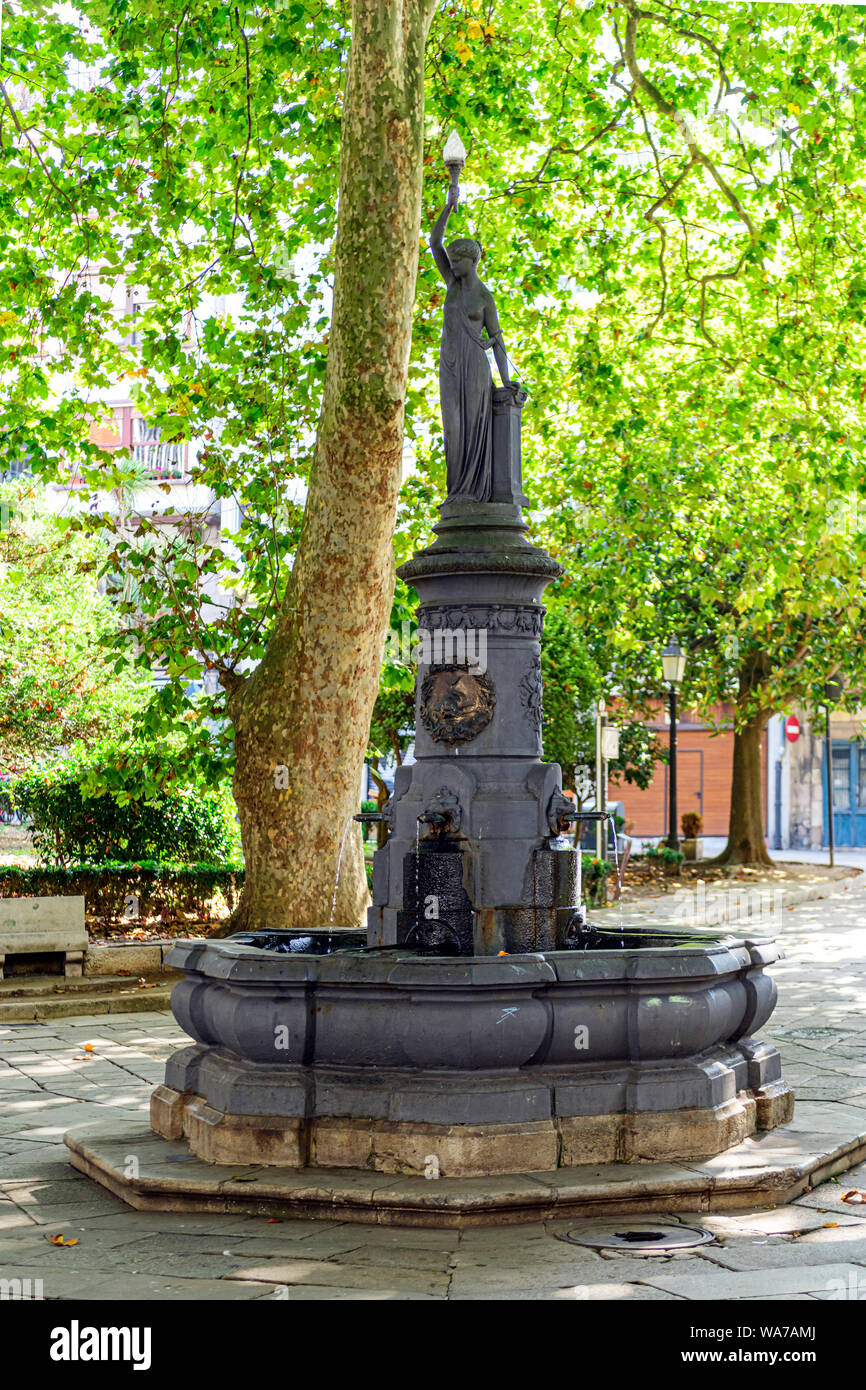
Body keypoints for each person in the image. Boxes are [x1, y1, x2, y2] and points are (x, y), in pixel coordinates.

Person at [429, 188, 516, 501]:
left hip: (476, 369)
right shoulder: (451, 286)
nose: (451, 265)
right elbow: (434, 241)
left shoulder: (484, 298)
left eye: (456, 260)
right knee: (453, 428)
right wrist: (449, 205)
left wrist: (506, 382)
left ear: (471, 260)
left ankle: (472, 493)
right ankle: (457, 490)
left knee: (474, 429)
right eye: (450, 261)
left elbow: (498, 341)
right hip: (451, 364)